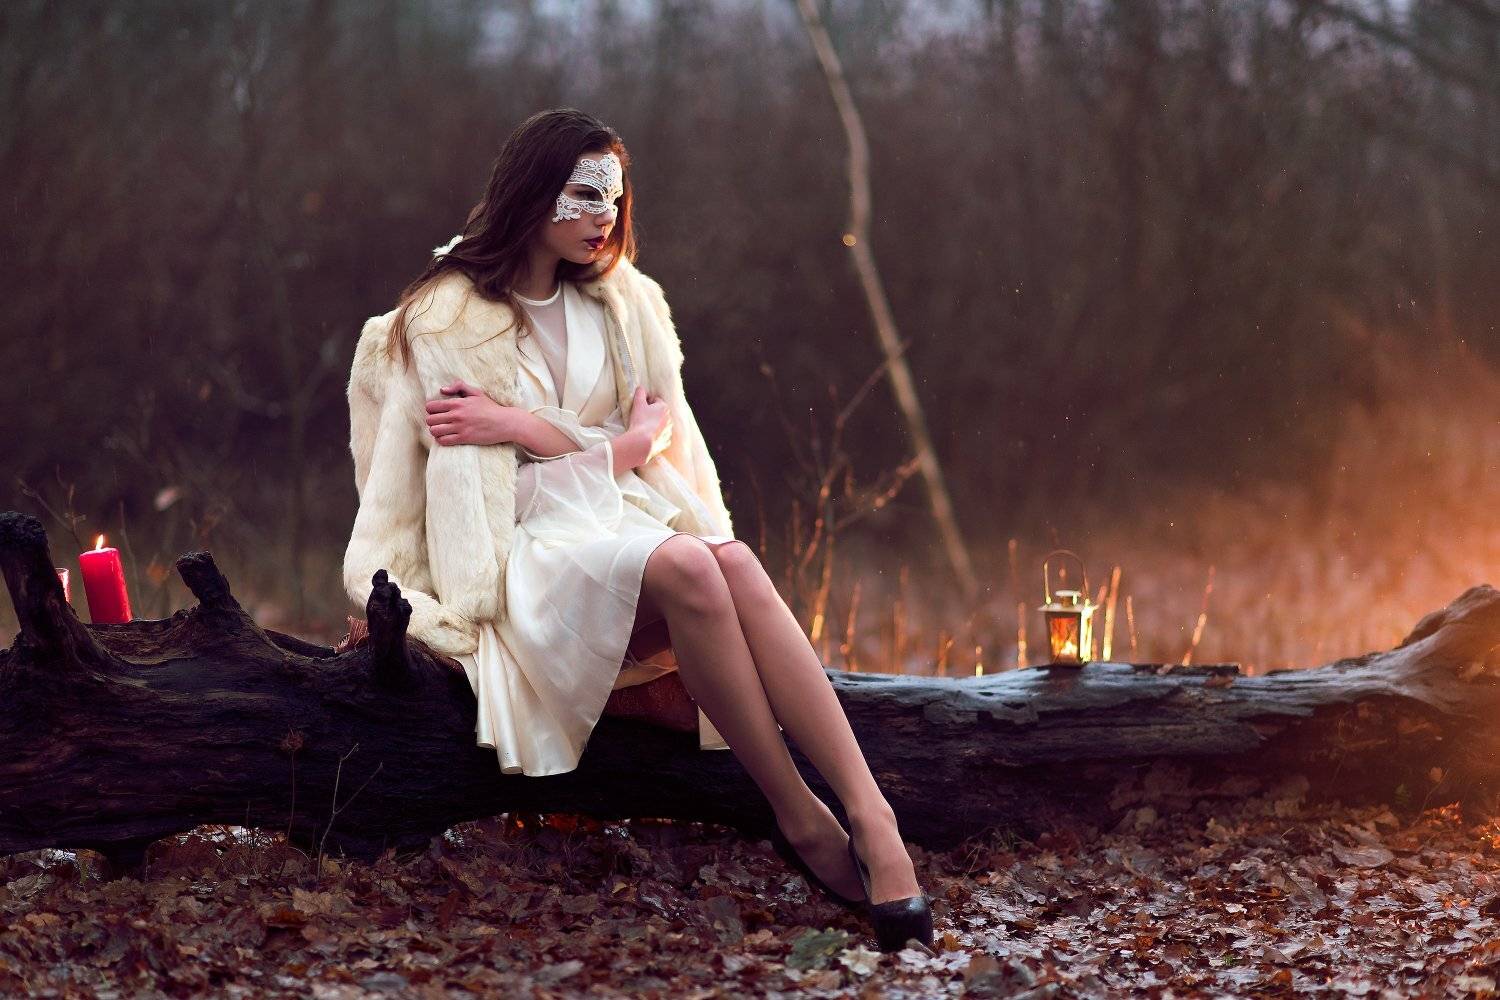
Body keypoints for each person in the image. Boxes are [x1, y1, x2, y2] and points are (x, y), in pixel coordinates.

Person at [342, 108, 932, 951]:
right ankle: (800, 815)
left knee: (732, 560)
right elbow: (484, 500)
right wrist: (604, 445)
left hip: (621, 524)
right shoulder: (443, 321)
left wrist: (534, 430)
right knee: (691, 566)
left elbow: (656, 456)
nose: (604, 216)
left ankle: (872, 816)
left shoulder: (622, 304)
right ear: (533, 191)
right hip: (527, 557)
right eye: (585, 195)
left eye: (614, 198)